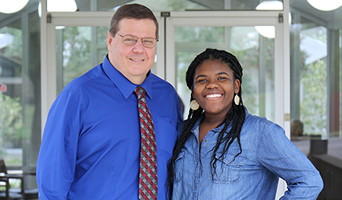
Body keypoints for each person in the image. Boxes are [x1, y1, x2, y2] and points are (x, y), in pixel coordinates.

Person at [36, 3, 183, 199]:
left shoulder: (167, 96)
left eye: (148, 41)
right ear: (110, 41)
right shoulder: (78, 96)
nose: (139, 49)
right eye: (130, 40)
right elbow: (52, 184)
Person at [167, 48, 323, 199]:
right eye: (202, 80)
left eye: (221, 78)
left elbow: (309, 181)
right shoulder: (181, 132)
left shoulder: (261, 132)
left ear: (236, 86)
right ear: (193, 91)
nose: (212, 85)